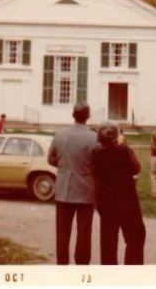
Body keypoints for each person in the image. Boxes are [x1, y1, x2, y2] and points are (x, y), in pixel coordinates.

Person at [47, 101, 98, 264]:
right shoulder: (94, 137)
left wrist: (65, 167)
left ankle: (62, 263)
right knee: (84, 232)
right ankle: (82, 264)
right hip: (86, 190)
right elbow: (97, 163)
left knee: (62, 232)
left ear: (73, 115)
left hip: (63, 189)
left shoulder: (60, 134)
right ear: (88, 116)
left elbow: (51, 158)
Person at [92, 122, 146, 265]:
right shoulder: (124, 151)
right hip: (126, 200)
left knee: (108, 241)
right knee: (136, 237)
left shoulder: (96, 154)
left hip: (106, 200)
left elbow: (95, 174)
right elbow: (136, 168)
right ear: (116, 136)